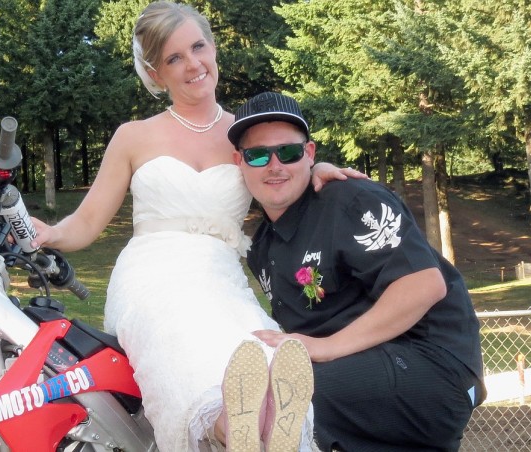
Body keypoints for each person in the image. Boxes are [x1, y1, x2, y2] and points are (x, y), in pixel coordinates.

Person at [29, 2, 360, 450]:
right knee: (188, 352)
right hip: (151, 276)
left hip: (218, 276)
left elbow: (283, 172)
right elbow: (87, 222)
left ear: (213, 47)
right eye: (174, 58)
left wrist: (317, 170)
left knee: (258, 352)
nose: (193, 65)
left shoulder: (246, 136)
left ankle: (261, 430)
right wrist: (50, 234)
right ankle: (235, 429)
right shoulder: (134, 136)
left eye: (197, 47)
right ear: (155, 72)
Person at [229, 91, 487, 451]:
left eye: (288, 152)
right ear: (239, 162)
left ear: (310, 153)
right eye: (258, 155)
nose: (275, 166)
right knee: (253, 400)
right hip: (352, 383)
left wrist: (325, 348)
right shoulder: (262, 249)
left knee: (284, 395)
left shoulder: (351, 200)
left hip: (430, 364)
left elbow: (424, 285)